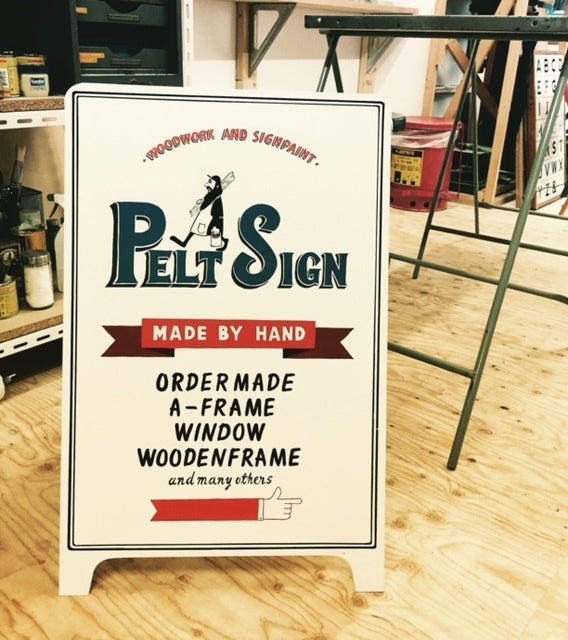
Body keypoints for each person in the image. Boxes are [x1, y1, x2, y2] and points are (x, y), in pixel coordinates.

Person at [170, 174, 229, 250]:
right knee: (195, 229)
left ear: (216, 185)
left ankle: (225, 241)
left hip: (214, 217)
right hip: (208, 215)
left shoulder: (215, 194)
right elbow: (206, 200)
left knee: (214, 232)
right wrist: (201, 201)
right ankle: (184, 243)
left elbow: (205, 205)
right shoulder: (213, 193)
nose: (206, 186)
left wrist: (201, 205)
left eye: (210, 184)